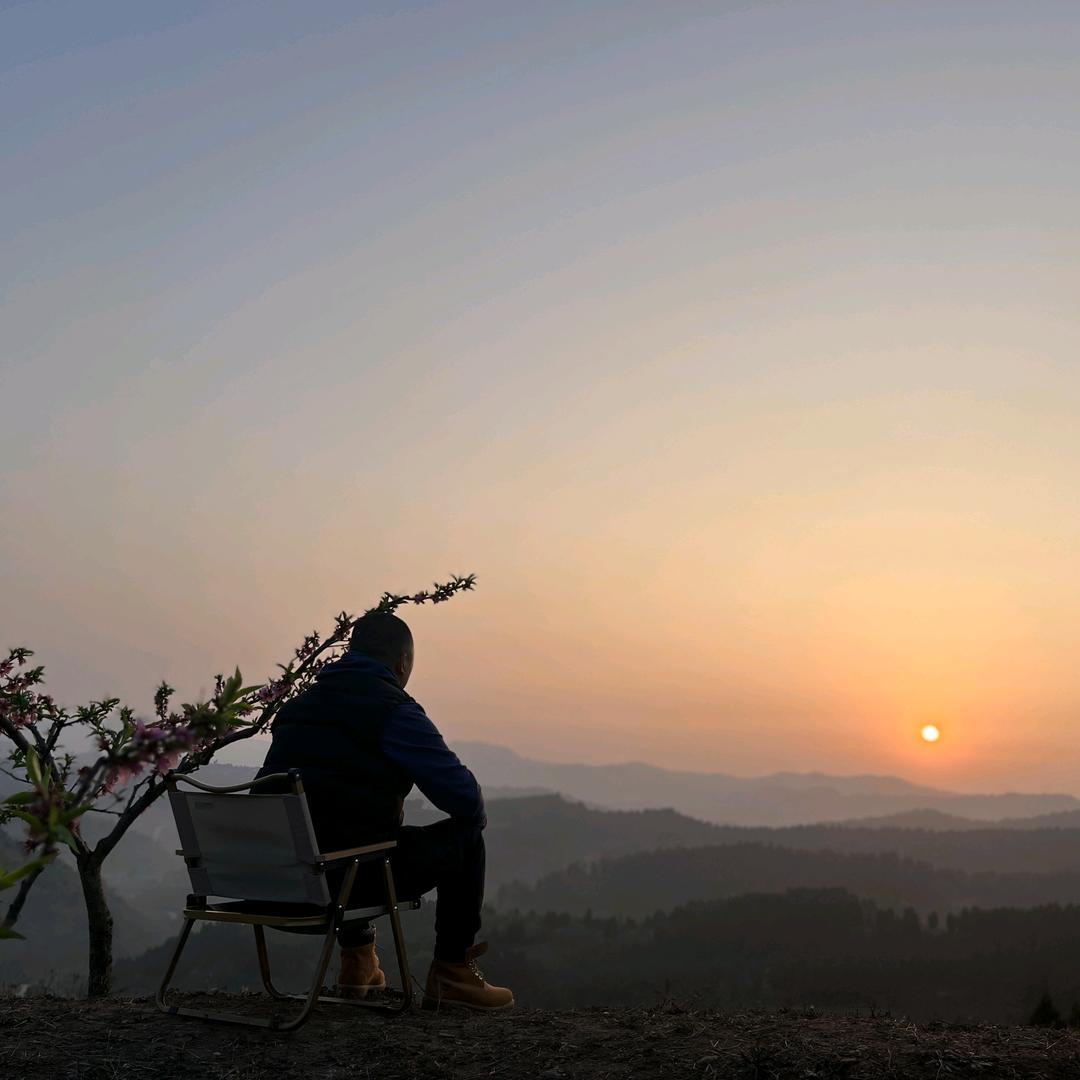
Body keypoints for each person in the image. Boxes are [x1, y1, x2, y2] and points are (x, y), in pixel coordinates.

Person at [256, 611, 513, 1010]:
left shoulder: (296, 709)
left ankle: (358, 963)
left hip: (272, 883)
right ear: (403, 663)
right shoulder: (392, 710)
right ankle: (452, 972)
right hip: (338, 883)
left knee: (341, 834)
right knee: (464, 839)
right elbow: (465, 800)